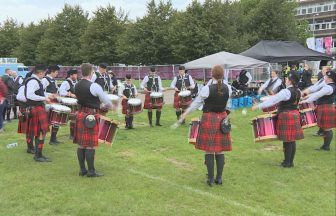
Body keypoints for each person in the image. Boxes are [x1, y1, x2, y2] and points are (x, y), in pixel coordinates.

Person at [180, 65, 232, 186]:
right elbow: (228, 105)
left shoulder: (207, 89)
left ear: (212, 74)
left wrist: (185, 113)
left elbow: (196, 103)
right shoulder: (228, 88)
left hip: (209, 118)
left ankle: (210, 179)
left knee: (209, 149)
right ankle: (219, 178)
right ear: (223, 75)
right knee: (220, 150)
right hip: (223, 118)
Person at [252, 71, 304, 168]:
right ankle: (290, 162)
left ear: (290, 80)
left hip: (286, 115)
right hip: (295, 114)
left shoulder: (286, 91)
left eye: (287, 78)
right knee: (292, 140)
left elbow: (273, 100)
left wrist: (258, 106)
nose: (286, 80)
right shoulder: (298, 91)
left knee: (287, 140)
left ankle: (287, 163)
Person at [74, 63, 114, 177]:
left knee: (81, 144)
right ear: (91, 72)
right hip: (90, 116)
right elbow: (107, 101)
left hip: (80, 114)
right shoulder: (94, 86)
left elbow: (86, 100)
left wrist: (98, 105)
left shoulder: (77, 85)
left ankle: (82, 170)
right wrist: (111, 106)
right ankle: (91, 171)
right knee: (90, 145)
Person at [25, 65, 55, 162]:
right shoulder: (33, 81)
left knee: (41, 132)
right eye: (44, 73)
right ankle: (38, 155)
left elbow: (38, 93)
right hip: (36, 109)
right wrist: (44, 98)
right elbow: (30, 95)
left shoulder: (36, 81)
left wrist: (48, 95)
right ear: (40, 73)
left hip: (37, 108)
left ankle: (39, 154)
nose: (44, 75)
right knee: (41, 132)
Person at [301, 69, 336, 151]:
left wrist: (305, 101)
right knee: (325, 127)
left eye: (326, 76)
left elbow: (317, 95)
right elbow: (316, 91)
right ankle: (325, 146)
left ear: (330, 78)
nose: (325, 77)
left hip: (326, 108)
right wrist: (307, 95)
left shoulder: (329, 87)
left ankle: (326, 147)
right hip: (326, 107)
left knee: (327, 128)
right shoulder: (330, 85)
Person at [303, 66, 331, 136]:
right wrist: (307, 91)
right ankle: (321, 131)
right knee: (320, 117)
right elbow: (315, 86)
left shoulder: (327, 80)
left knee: (323, 119)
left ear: (328, 71)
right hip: (319, 98)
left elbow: (318, 89)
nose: (322, 71)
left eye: (323, 70)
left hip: (324, 100)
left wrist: (308, 95)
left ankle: (322, 132)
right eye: (322, 69)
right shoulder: (322, 78)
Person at [42, 65, 61, 145]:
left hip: (54, 102)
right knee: (48, 121)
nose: (57, 73)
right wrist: (49, 95)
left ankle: (53, 138)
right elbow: (40, 91)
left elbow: (57, 91)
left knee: (56, 121)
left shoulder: (53, 80)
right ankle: (41, 139)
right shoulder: (45, 80)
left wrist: (57, 95)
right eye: (56, 72)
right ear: (52, 71)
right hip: (48, 102)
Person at [59, 69, 78, 139]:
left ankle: (72, 135)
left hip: (74, 103)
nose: (76, 76)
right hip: (67, 104)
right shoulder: (66, 82)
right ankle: (53, 137)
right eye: (75, 74)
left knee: (74, 119)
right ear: (71, 75)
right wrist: (70, 94)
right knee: (60, 120)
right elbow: (61, 91)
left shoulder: (75, 82)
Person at [16, 83, 35, 153]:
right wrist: (32, 99)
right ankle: (30, 148)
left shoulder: (32, 86)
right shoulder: (23, 87)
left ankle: (31, 147)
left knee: (32, 130)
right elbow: (19, 97)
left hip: (31, 110)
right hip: (26, 110)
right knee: (29, 131)